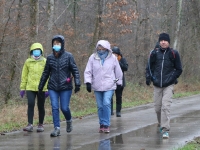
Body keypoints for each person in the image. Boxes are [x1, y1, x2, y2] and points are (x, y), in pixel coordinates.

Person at [38, 35, 81, 137]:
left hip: (65, 86)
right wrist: (41, 86)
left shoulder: (69, 56)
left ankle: (69, 120)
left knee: (64, 108)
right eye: (54, 43)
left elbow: (75, 70)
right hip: (52, 86)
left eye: (58, 43)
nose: (56, 45)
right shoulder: (49, 57)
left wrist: (78, 83)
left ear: (62, 44)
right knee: (54, 107)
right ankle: (56, 128)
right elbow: (45, 73)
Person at [146, 33, 182, 139]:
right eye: (161, 40)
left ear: (168, 42)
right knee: (157, 108)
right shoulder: (154, 53)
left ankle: (165, 129)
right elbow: (149, 67)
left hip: (168, 85)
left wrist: (172, 78)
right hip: (157, 84)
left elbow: (179, 69)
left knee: (165, 107)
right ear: (159, 42)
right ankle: (161, 123)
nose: (163, 42)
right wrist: (149, 77)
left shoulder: (173, 53)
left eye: (165, 40)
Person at [84, 40, 123, 133]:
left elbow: (118, 72)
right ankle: (101, 123)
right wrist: (88, 82)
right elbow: (88, 71)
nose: (101, 50)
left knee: (106, 103)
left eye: (103, 48)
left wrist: (118, 83)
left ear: (107, 48)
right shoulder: (92, 58)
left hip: (109, 85)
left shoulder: (113, 58)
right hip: (97, 86)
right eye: (99, 48)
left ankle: (106, 124)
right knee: (100, 106)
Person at [20, 43, 48, 132]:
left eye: (38, 50)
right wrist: (22, 88)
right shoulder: (28, 61)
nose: (36, 52)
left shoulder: (45, 61)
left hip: (42, 87)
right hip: (30, 87)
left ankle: (40, 124)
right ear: (32, 51)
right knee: (31, 104)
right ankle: (30, 124)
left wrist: (47, 88)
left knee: (40, 106)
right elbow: (24, 75)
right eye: (35, 50)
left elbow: (48, 75)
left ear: (41, 51)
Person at [111, 47, 128, 117]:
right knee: (110, 96)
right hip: (112, 80)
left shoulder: (122, 59)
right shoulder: (109, 60)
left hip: (119, 79)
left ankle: (118, 111)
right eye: (113, 54)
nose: (114, 55)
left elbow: (126, 68)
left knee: (119, 96)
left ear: (118, 54)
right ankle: (110, 111)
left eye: (116, 54)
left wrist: (118, 63)